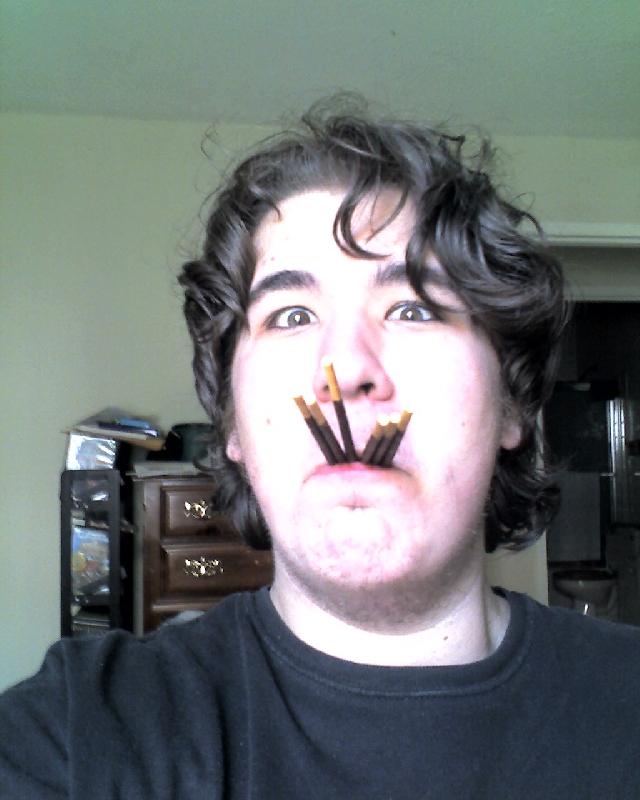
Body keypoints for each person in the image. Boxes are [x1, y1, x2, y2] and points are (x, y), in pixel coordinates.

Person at [2, 96, 639, 799]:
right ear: (233, 425)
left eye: (413, 308)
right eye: (292, 315)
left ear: (512, 406)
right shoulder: (79, 735)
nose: (345, 370)